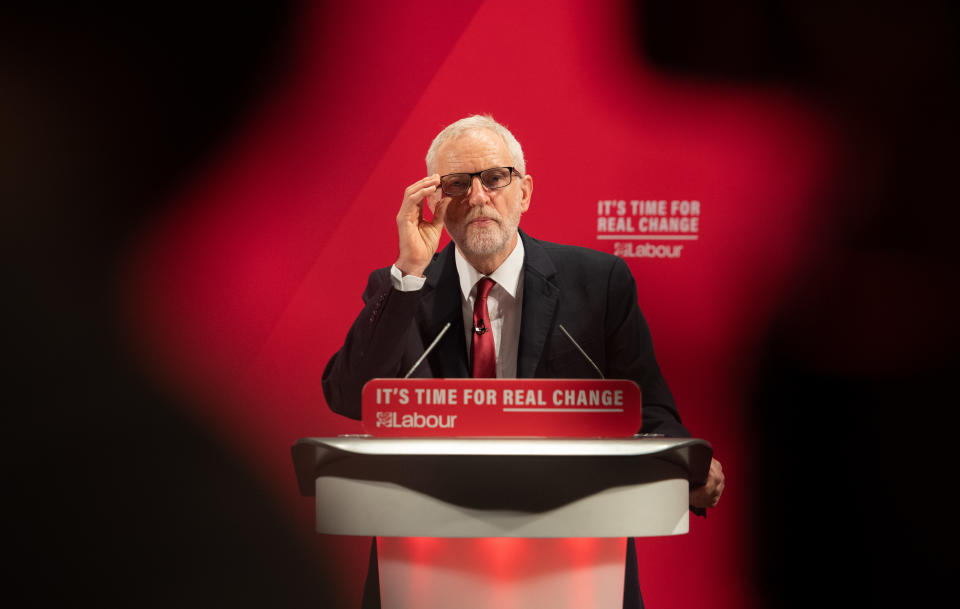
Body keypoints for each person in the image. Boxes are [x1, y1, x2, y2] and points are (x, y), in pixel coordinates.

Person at [322, 114, 724, 609]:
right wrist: (408, 272)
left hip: (577, 563)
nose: (477, 197)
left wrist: (683, 468)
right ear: (433, 200)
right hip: (428, 566)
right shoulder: (406, 291)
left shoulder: (598, 284)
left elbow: (651, 412)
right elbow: (346, 396)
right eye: (456, 185)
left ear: (525, 191)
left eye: (494, 178)